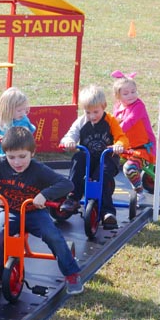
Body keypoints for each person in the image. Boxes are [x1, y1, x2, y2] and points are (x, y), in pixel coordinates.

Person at [0, 126, 84, 295]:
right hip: (10, 211)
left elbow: (67, 184)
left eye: (22, 156)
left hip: (34, 212)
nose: (17, 162)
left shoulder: (38, 170)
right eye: (11, 157)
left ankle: (71, 273)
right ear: (5, 154)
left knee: (53, 236)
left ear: (32, 153)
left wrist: (44, 195)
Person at [59, 84, 129, 229]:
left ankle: (107, 212)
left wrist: (119, 145)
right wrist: (69, 141)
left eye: (96, 112)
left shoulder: (111, 121)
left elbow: (122, 137)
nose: (92, 116)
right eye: (88, 112)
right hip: (88, 158)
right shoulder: (82, 121)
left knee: (101, 177)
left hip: (107, 158)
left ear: (104, 106)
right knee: (78, 158)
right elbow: (71, 133)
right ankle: (73, 197)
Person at [111, 71, 156, 204]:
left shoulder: (138, 106)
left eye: (133, 91)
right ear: (118, 96)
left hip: (142, 149)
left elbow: (129, 122)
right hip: (127, 147)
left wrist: (114, 132)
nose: (131, 95)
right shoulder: (118, 106)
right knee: (104, 158)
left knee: (129, 169)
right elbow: (114, 122)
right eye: (126, 93)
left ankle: (139, 191)